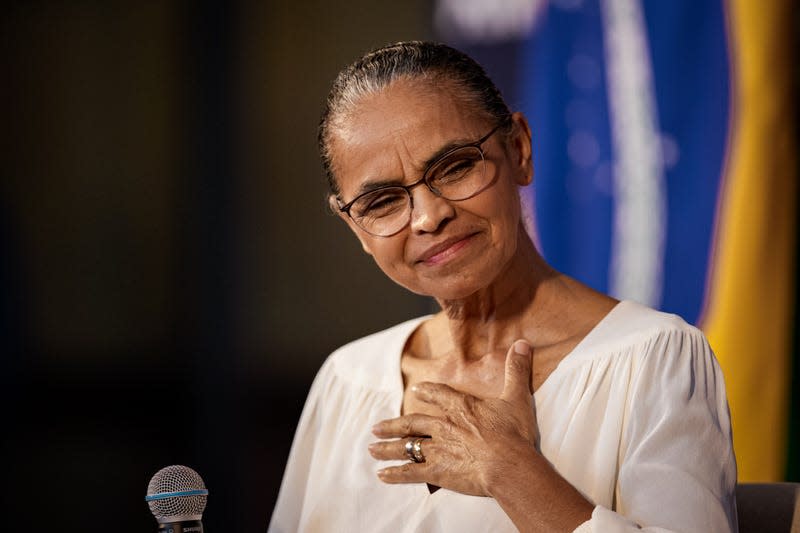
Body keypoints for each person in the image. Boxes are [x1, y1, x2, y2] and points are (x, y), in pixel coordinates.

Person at [268, 41, 737, 533]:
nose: (429, 217)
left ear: (519, 150)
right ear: (356, 229)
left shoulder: (654, 359)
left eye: (455, 167)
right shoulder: (347, 379)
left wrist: (512, 471)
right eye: (382, 201)